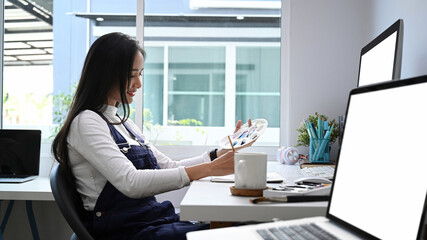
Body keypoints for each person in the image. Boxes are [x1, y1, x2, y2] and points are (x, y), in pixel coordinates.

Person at [52, 32, 255, 240]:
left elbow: (166, 166)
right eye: (132, 75)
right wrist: (210, 169)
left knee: (242, 227)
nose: (138, 83)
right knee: (239, 232)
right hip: (125, 233)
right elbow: (130, 182)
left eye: (140, 74)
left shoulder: (125, 124)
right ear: (106, 73)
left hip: (152, 223)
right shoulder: (86, 122)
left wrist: (217, 155)